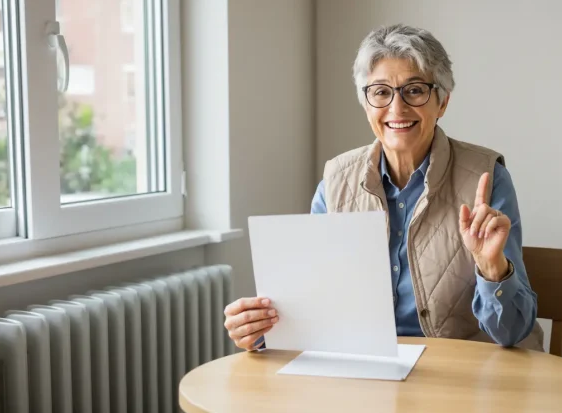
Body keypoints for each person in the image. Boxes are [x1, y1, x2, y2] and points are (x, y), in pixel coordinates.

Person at [224, 24, 544, 352]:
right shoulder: (334, 184)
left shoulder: (487, 178)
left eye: (415, 90)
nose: (397, 108)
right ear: (366, 104)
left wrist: (492, 268)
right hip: (368, 371)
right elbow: (318, 307)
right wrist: (262, 329)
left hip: (462, 378)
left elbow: (513, 332)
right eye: (380, 92)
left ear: (442, 102)